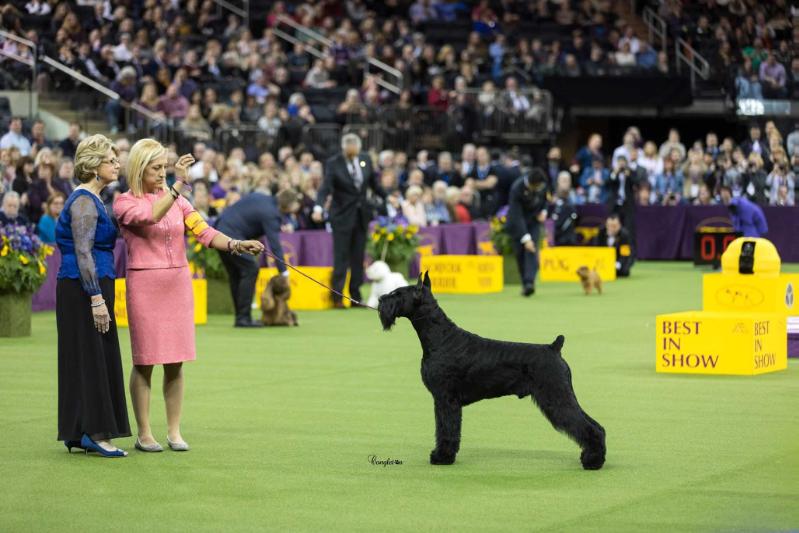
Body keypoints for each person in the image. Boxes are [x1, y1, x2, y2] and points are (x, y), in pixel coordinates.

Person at [114, 139, 264, 453]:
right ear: (139, 169)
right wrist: (179, 184)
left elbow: (204, 231)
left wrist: (237, 244)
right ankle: (144, 433)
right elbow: (151, 216)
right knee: (145, 362)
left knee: (175, 362)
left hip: (177, 284)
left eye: (163, 168)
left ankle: (174, 431)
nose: (161, 173)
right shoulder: (125, 202)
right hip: (145, 285)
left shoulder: (179, 201)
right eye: (155, 168)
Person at [55, 134, 130, 457]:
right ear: (93, 165)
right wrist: (97, 299)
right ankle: (96, 433)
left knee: (87, 354)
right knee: (91, 354)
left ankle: (79, 430)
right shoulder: (84, 200)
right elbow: (84, 252)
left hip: (89, 284)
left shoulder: (95, 198)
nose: (116, 164)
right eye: (111, 160)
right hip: (84, 287)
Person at [312, 133, 385, 308]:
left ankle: (355, 296)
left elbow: (374, 184)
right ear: (344, 148)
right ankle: (337, 297)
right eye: (349, 150)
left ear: (358, 148)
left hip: (361, 217)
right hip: (341, 217)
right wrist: (318, 207)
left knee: (358, 258)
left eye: (355, 150)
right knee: (341, 258)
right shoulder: (333, 163)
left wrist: (389, 197)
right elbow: (325, 188)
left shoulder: (366, 159)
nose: (353, 153)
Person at [214, 188, 300, 327]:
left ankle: (241, 317)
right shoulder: (272, 214)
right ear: (288, 205)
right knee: (250, 269)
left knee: (236, 274)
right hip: (231, 234)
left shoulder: (261, 197)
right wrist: (284, 272)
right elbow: (275, 245)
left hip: (219, 231)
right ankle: (243, 318)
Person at [506, 168, 548, 297]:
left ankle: (530, 282)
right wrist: (525, 237)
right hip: (517, 223)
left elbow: (545, 200)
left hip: (534, 221)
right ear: (531, 183)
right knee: (520, 252)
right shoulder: (516, 189)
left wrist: (544, 212)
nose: (540, 188)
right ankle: (525, 283)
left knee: (531, 250)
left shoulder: (542, 185)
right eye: (537, 186)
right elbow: (516, 215)